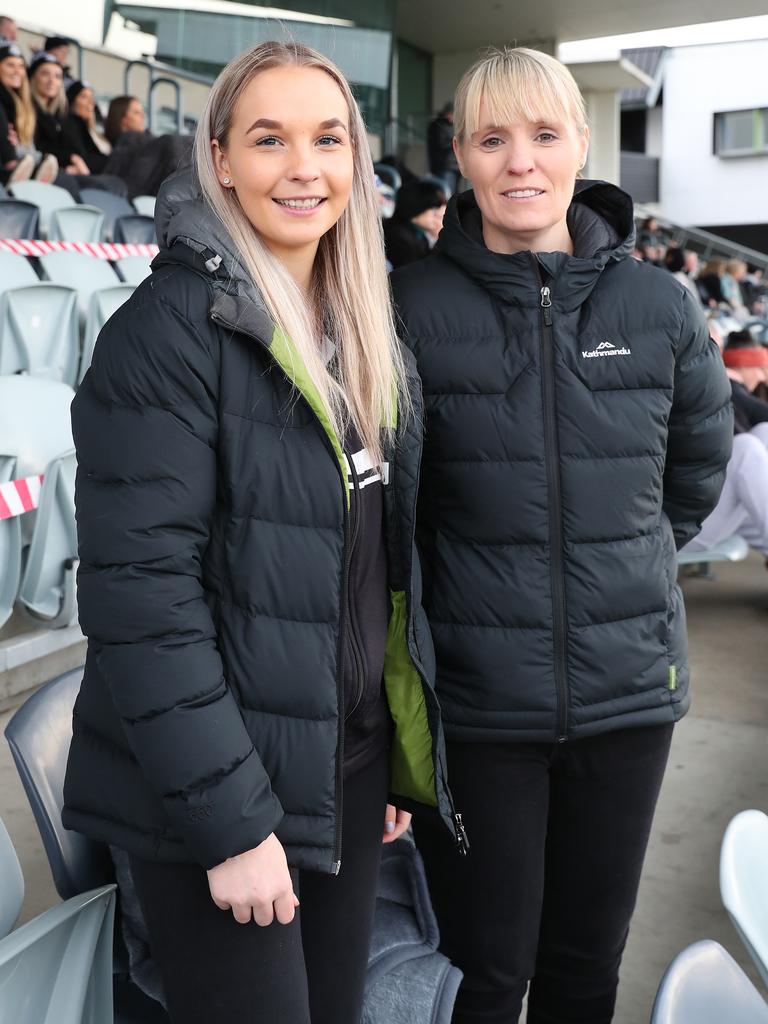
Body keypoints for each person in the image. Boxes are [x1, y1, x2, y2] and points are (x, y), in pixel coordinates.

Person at [61, 39, 459, 1024]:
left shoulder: (353, 326)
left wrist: (378, 748)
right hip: (221, 800)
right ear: (222, 159)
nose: (304, 167)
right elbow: (142, 603)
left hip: (339, 769)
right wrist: (233, 829)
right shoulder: (165, 333)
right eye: (269, 139)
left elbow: (365, 567)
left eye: (328, 139)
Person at [391, 46, 732, 1024]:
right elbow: (394, 511)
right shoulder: (411, 311)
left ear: (581, 146)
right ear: (462, 155)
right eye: (493, 140)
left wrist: (616, 560)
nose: (521, 162)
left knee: (587, 967)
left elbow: (695, 472)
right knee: (485, 974)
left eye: (544, 135)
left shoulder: (659, 306)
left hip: (629, 698)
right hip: (480, 712)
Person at [682, 330, 768, 563]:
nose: (762, 377)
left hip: (699, 510)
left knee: (761, 435)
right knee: (748, 448)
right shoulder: (714, 388)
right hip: (676, 528)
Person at [28, 52, 126, 196]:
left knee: (117, 185)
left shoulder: (56, 117)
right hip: (49, 171)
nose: (51, 81)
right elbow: (40, 146)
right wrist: (71, 159)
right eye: (45, 74)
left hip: (65, 170)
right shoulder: (31, 110)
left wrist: (71, 160)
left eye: (57, 77)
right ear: (33, 77)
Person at [102, 93, 192, 197]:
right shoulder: (127, 140)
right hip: (148, 190)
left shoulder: (147, 138)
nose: (142, 116)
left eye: (142, 112)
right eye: (136, 113)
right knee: (171, 142)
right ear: (123, 119)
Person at [0, 42, 58, 183]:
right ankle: (14, 170)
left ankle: (30, 171)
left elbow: (27, 144)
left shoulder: (23, 105)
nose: (17, 71)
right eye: (10, 65)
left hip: (21, 156)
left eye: (20, 66)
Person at [383, 179, 446, 269]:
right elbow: (421, 271)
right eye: (433, 210)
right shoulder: (398, 238)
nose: (438, 216)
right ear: (416, 209)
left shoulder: (418, 234)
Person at [65, 79, 111, 174]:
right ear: (72, 100)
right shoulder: (71, 126)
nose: (91, 102)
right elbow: (85, 158)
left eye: (92, 97)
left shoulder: (98, 131)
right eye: (83, 97)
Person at [427, 101, 460, 197]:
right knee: (446, 194)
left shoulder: (453, 126)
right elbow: (440, 144)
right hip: (444, 166)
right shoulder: (437, 125)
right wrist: (457, 142)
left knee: (453, 195)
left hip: (455, 166)